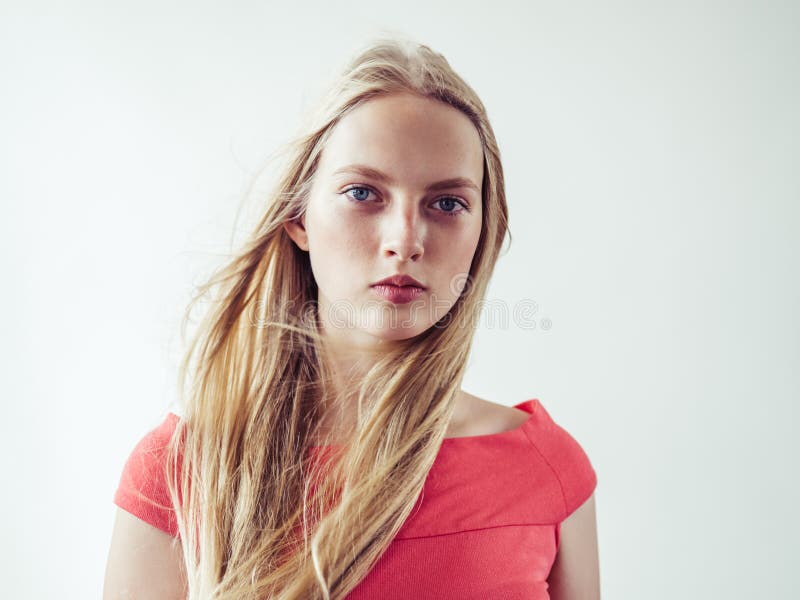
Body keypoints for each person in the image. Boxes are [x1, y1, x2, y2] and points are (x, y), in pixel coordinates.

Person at [103, 36, 600, 600]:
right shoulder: (180, 473)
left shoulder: (546, 470)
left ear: (484, 231)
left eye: (447, 203)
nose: (405, 240)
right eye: (364, 192)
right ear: (298, 217)